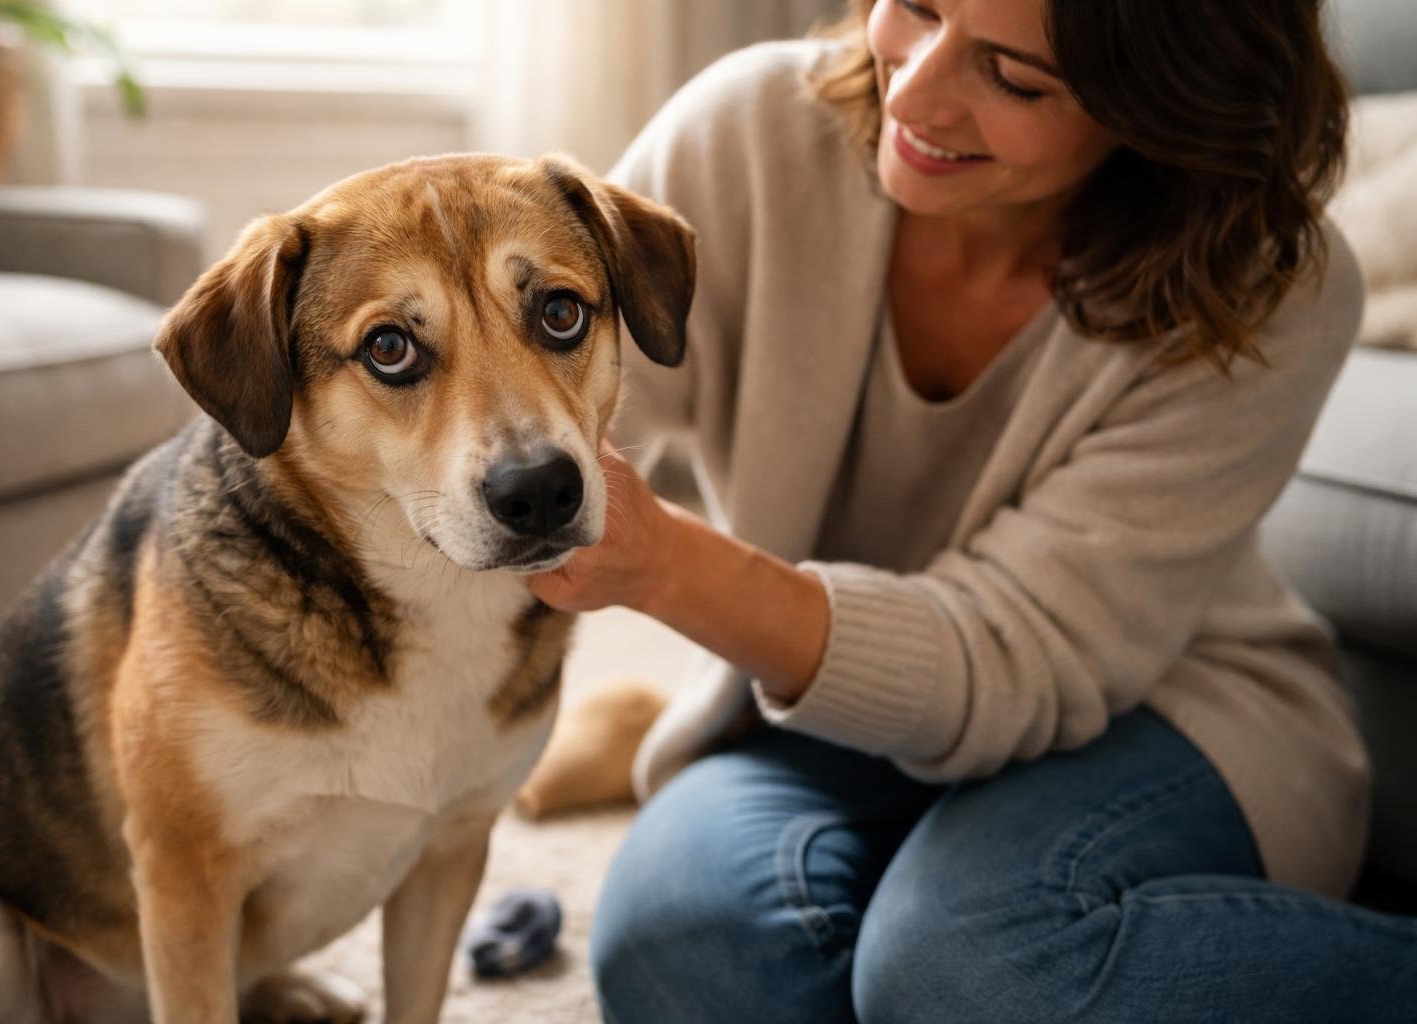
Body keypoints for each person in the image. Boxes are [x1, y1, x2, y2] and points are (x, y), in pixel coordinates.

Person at [525, 0, 1417, 1020]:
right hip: (819, 703)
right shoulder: (748, 134)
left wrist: (670, 565)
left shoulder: (1270, 293)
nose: (913, 90)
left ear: (1165, 107)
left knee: (957, 966)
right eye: (917, 8)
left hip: (1165, 713)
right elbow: (544, 386)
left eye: (1016, 78)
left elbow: (1009, 661)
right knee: (683, 946)